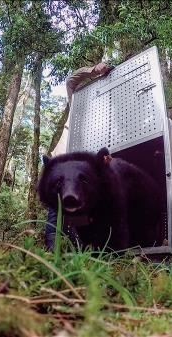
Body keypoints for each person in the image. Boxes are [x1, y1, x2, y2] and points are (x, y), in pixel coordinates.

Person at [44, 62, 114, 250]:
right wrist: (94, 71)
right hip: (61, 164)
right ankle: (52, 253)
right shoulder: (78, 108)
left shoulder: (106, 126)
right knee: (55, 212)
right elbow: (71, 82)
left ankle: (81, 251)